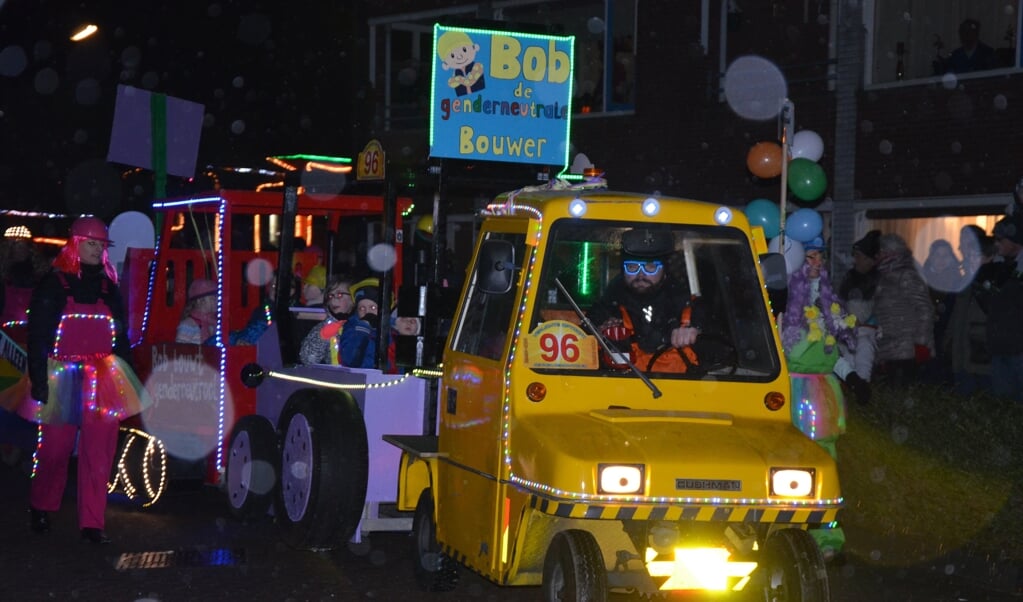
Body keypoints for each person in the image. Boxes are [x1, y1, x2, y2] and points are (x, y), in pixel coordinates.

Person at [16, 217, 150, 543]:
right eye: (92, 243)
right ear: (76, 243)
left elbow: (120, 338)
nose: (97, 250)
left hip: (102, 378)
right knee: (54, 451)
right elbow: (39, 335)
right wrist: (39, 378)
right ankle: (42, 505)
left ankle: (93, 523)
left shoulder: (108, 288)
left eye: (101, 245)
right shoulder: (54, 284)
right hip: (61, 375)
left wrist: (128, 379)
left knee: (99, 454)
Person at [777, 237, 856, 560]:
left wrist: (852, 375)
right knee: (788, 465)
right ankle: (785, 530)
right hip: (790, 392)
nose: (816, 264)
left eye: (820, 258)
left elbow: (832, 352)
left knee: (825, 464)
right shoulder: (782, 312)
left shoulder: (828, 308)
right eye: (809, 257)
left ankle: (826, 536)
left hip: (822, 394)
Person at [586, 227, 703, 373]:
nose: (641, 274)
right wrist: (599, 336)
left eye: (650, 267)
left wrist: (696, 332)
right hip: (623, 388)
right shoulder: (608, 305)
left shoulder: (688, 304)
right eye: (632, 267)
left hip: (683, 389)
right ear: (622, 270)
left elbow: (723, 350)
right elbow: (582, 344)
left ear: (664, 270)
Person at [873, 233, 935, 387]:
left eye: (882, 251)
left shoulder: (907, 276)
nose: (878, 255)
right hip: (889, 348)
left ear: (892, 253)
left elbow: (925, 310)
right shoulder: (885, 276)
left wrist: (920, 344)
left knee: (902, 394)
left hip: (907, 350)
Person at [974, 216, 1023, 402]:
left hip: (1018, 350)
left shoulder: (1016, 269)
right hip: (1000, 347)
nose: (996, 243)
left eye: (1000, 239)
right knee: (1003, 408)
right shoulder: (998, 267)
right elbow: (991, 306)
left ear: (1015, 240)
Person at [944, 226, 995, 396]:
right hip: (961, 354)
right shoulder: (965, 282)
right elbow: (956, 317)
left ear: (988, 257)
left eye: (975, 255)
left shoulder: (990, 282)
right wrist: (948, 342)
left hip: (980, 355)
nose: (968, 258)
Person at [837, 230, 881, 402]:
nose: (856, 260)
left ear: (870, 259)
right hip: (848, 331)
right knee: (845, 354)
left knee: (864, 351)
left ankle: (862, 389)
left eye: (859, 256)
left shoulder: (879, 280)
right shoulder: (849, 278)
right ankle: (848, 388)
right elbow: (840, 301)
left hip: (869, 332)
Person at [299, 276, 354, 364]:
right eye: (330, 296)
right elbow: (308, 359)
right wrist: (322, 337)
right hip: (332, 376)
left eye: (339, 295)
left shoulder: (361, 325)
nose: (333, 300)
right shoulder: (323, 327)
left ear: (353, 297)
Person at [175, 278, 217, 344]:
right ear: (200, 301)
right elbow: (180, 351)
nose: (217, 300)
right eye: (213, 298)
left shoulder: (215, 323)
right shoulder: (188, 325)